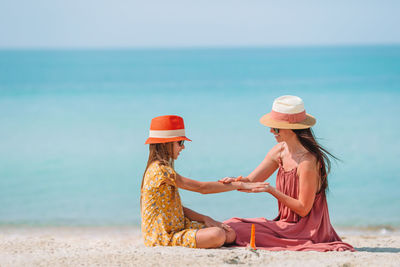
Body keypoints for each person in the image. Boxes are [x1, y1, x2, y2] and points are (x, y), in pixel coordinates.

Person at [220, 95, 355, 251]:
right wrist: (234, 181)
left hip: (307, 231)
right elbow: (251, 182)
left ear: (293, 128)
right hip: (286, 225)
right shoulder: (280, 151)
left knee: (238, 231)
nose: (271, 131)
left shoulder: (307, 162)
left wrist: (272, 191)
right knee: (232, 223)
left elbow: (303, 208)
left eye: (276, 127)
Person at [141, 115, 250, 249]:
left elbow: (174, 208)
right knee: (218, 234)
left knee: (229, 233)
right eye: (180, 143)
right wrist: (239, 185)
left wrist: (205, 218)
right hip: (164, 236)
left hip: (179, 226)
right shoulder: (160, 170)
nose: (183, 147)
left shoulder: (164, 169)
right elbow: (201, 188)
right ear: (165, 143)